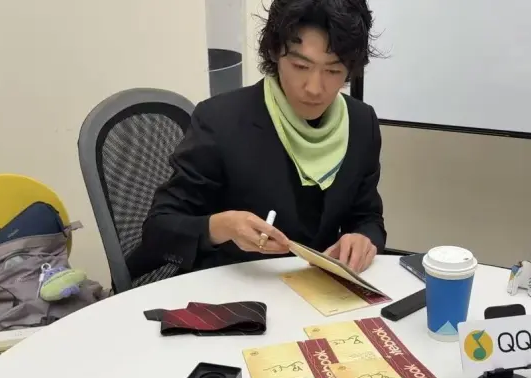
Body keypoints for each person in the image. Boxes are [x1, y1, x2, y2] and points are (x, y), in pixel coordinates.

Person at [128, 0, 386, 280]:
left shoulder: (361, 123)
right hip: (235, 287)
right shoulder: (221, 121)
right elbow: (160, 229)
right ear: (275, 53)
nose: (314, 88)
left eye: (333, 71)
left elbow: (367, 217)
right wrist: (223, 226)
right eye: (300, 66)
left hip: (318, 290)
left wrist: (363, 238)